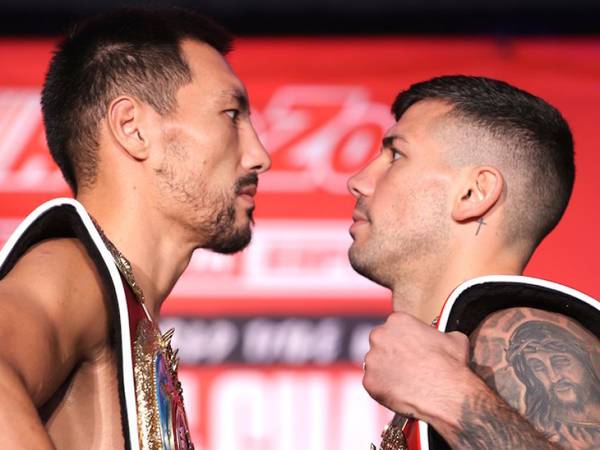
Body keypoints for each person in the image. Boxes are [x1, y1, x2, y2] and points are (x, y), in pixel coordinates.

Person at [0, 8, 270, 450]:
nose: (260, 155)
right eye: (230, 114)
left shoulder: (123, 307)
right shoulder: (71, 271)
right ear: (133, 129)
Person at [347, 76, 600, 449]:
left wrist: (447, 393)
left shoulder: (524, 335)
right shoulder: (452, 347)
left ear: (473, 193)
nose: (358, 181)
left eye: (396, 155)